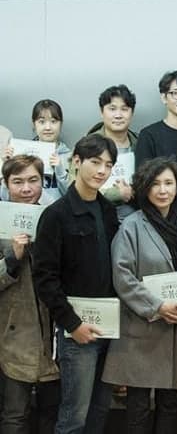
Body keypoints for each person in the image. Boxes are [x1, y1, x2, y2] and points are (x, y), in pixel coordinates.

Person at [102, 158, 177, 434]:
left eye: (169, 183)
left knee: (169, 405)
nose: (163, 190)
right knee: (138, 408)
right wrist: (157, 306)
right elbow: (122, 277)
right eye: (155, 184)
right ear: (145, 188)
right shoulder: (131, 226)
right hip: (142, 329)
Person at [33, 134, 119, 434]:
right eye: (95, 162)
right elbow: (44, 278)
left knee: (100, 409)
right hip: (77, 331)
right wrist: (72, 324)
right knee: (74, 416)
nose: (102, 171)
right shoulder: (55, 215)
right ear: (77, 162)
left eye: (108, 165)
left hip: (109, 326)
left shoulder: (108, 211)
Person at [0, 155, 60, 434]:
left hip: (55, 333)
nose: (26, 188)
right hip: (14, 334)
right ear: (6, 184)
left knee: (52, 412)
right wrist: (12, 257)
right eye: (18, 181)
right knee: (15, 415)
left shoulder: (55, 218)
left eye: (33, 180)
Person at [135, 70, 177, 225]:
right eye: (175, 93)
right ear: (164, 97)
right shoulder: (149, 135)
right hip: (159, 219)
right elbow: (142, 184)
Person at [81, 84, 139, 222]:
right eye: (112, 109)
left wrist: (134, 191)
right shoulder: (87, 145)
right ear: (102, 112)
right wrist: (116, 194)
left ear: (132, 113)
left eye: (124, 109)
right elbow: (77, 188)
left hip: (136, 222)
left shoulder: (141, 143)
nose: (118, 115)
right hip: (96, 220)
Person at [3, 99, 71, 202]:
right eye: (41, 122)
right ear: (34, 124)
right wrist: (6, 167)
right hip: (24, 210)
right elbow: (5, 198)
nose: (48, 127)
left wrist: (60, 171)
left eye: (53, 121)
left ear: (61, 124)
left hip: (57, 211)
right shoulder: (20, 154)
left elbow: (74, 197)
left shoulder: (69, 157)